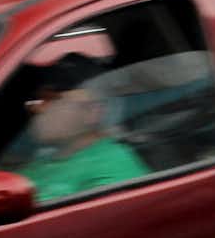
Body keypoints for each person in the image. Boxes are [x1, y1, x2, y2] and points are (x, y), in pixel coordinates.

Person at [13, 54, 150, 201]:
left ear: (92, 112)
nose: (36, 108)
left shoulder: (111, 170)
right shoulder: (45, 158)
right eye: (34, 100)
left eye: (50, 99)